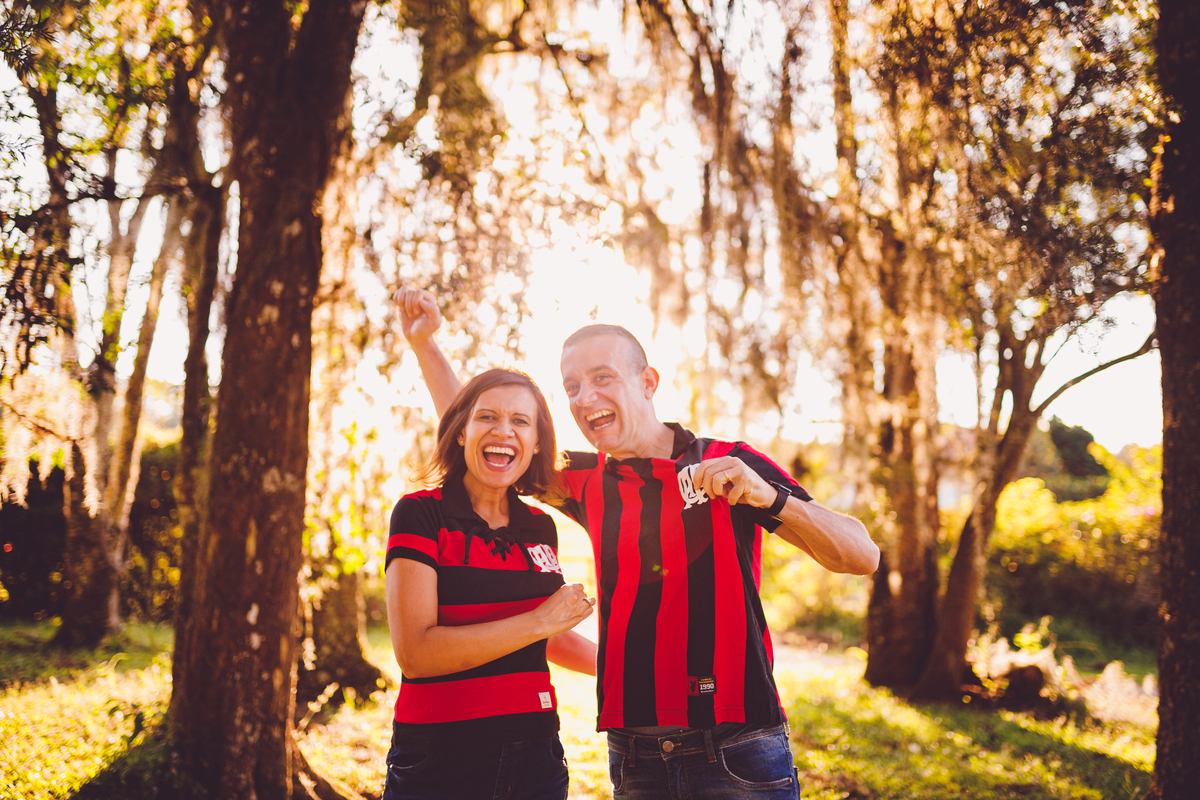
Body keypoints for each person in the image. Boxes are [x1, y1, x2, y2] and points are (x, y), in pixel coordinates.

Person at [396, 287, 880, 799]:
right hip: (634, 758)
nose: (584, 398)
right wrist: (427, 346)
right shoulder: (584, 480)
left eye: (602, 378)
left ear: (648, 382)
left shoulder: (728, 462)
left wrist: (769, 497)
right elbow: (489, 435)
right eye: (573, 386)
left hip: (737, 748)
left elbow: (861, 555)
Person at [383, 366, 598, 800]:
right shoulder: (420, 514)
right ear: (461, 431)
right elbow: (416, 655)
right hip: (438, 759)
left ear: (537, 442)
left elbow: (544, 640)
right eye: (487, 417)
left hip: (538, 756)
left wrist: (631, 670)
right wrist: (540, 621)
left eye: (521, 421)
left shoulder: (540, 526)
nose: (504, 431)